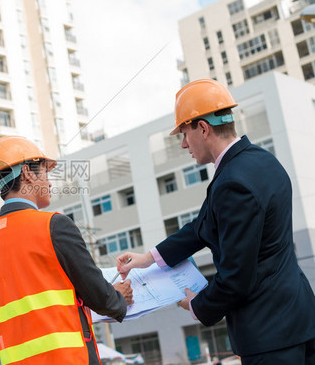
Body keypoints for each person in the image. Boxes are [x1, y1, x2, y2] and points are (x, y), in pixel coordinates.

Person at [116, 79, 315, 365]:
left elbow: (237, 277)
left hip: (269, 333)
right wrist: (148, 258)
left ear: (203, 128)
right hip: (297, 319)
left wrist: (197, 306)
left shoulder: (233, 182)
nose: (184, 144)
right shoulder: (261, 161)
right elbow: (203, 226)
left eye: (184, 134)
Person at [0, 135, 133, 364]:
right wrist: (119, 298)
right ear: (27, 173)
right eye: (45, 173)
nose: (49, 182)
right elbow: (101, 298)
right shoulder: (54, 226)